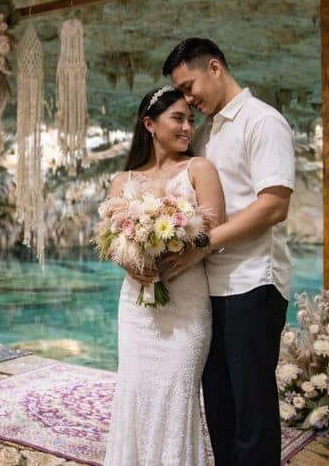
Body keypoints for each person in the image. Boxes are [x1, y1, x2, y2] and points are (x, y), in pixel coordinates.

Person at [159, 37, 295, 465]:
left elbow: (274, 205)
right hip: (207, 291)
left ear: (214, 68)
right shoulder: (202, 135)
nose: (187, 98)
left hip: (253, 282)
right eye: (180, 92)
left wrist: (203, 245)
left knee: (251, 406)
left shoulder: (262, 121)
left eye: (188, 85)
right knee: (217, 404)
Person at [103, 86, 225, 466]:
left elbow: (215, 232)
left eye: (191, 119)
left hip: (187, 302)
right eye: (178, 118)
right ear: (149, 124)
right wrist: (130, 262)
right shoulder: (123, 181)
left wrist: (183, 250)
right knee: (135, 389)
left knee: (177, 391)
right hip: (137, 306)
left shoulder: (199, 169)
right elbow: (108, 242)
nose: (188, 127)